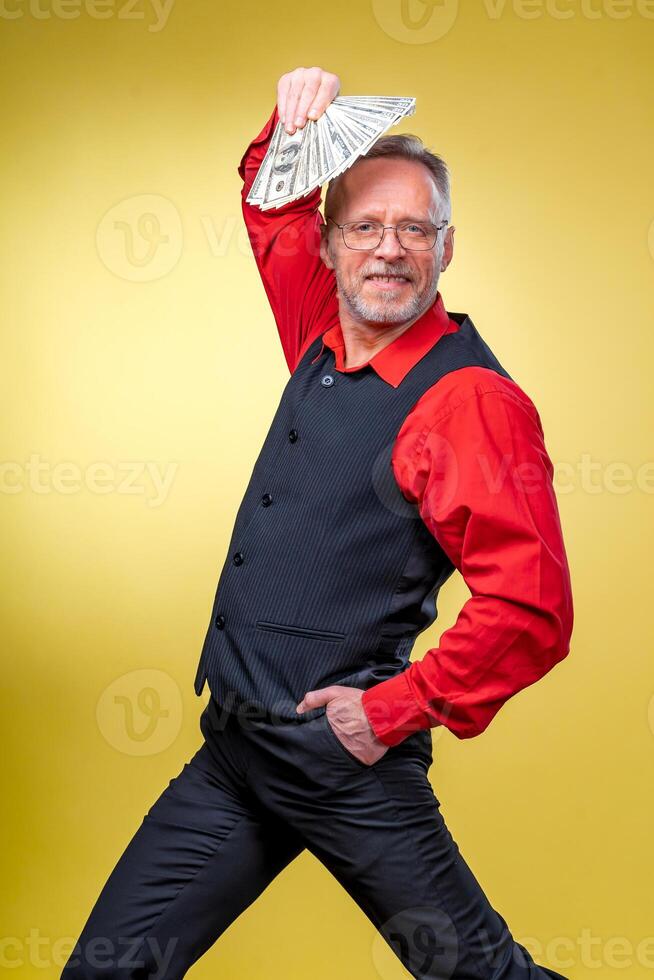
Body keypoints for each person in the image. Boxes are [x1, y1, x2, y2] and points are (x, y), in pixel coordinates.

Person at [62, 66, 574, 979]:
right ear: (334, 246)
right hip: (236, 750)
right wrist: (297, 122)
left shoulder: (469, 401)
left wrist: (388, 713)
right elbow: (272, 210)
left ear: (447, 248)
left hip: (343, 763)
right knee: (107, 969)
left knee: (486, 977)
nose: (388, 250)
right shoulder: (321, 328)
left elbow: (531, 611)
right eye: (366, 228)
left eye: (414, 229)